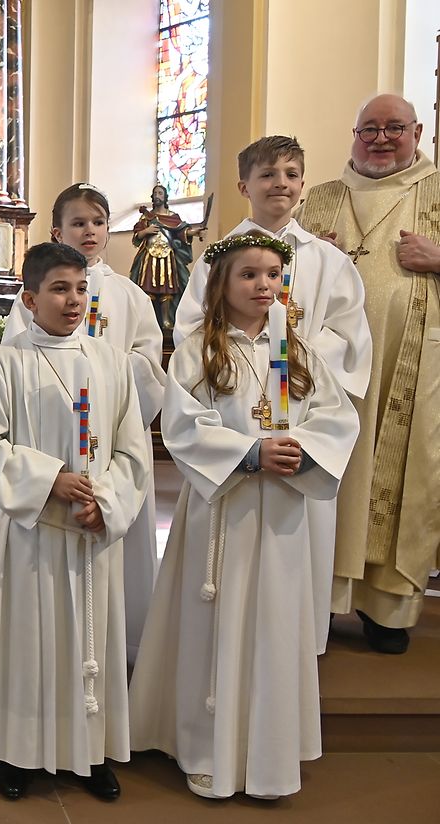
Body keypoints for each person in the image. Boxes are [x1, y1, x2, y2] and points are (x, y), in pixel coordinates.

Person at [129, 232, 358, 800]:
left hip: (281, 510)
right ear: (222, 283)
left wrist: (301, 448)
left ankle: (268, 756)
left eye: (273, 275)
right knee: (214, 625)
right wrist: (250, 453)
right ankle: (206, 748)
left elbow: (335, 417)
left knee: (274, 626)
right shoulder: (199, 351)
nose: (263, 285)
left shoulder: (297, 351)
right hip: (221, 510)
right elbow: (183, 425)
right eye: (249, 274)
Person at [0, 242, 151, 803]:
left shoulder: (112, 362)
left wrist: (107, 501)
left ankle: (88, 754)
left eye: (80, 289)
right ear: (29, 298)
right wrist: (51, 480)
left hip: (92, 530)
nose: (73, 300)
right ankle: (16, 752)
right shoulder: (4, 362)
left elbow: (133, 449)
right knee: (24, 644)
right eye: (59, 289)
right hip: (32, 531)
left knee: (89, 643)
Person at [175, 136, 373, 654]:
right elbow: (192, 330)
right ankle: (226, 651)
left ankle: (293, 655)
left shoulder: (329, 260)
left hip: (299, 425)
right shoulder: (216, 258)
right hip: (235, 416)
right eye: (267, 174)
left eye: (290, 173)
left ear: (303, 183)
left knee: (297, 553)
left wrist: (291, 354)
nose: (279, 183)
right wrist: (255, 357)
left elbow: (351, 338)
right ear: (244, 186)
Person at [295, 94, 440, 654]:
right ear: (354, 134)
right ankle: (322, 600)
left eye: (394, 128)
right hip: (329, 373)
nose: (381, 139)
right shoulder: (321, 198)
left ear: (417, 132)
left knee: (407, 473)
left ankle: (388, 610)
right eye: (370, 129)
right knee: (334, 471)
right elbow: (271, 272)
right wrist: (306, 258)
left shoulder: (436, 188)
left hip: (414, 367)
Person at [7, 185, 165, 661]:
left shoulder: (130, 295)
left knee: (116, 537)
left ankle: (123, 644)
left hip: (112, 435)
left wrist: (106, 370)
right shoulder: (31, 295)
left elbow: (150, 364)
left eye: (98, 222)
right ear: (58, 232)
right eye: (78, 223)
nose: (89, 231)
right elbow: (17, 361)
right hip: (53, 438)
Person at [129, 184, 204, 331]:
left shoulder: (172, 217)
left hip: (167, 256)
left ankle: (166, 321)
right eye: (155, 193)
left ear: (165, 197)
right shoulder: (146, 217)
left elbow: (181, 231)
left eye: (160, 193)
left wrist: (194, 232)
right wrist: (146, 231)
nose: (157, 196)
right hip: (149, 256)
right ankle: (149, 321)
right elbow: (137, 236)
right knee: (147, 290)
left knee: (167, 290)